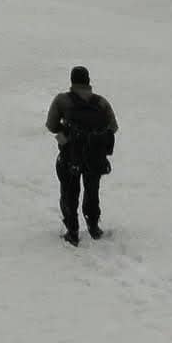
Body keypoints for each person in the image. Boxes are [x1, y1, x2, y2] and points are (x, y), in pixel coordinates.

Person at [46, 65, 116, 244]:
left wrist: (68, 133)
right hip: (95, 156)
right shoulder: (101, 102)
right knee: (92, 191)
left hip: (71, 155)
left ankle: (72, 230)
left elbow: (51, 125)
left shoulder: (62, 100)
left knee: (70, 191)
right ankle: (93, 226)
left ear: (72, 80)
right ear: (88, 80)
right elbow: (113, 127)